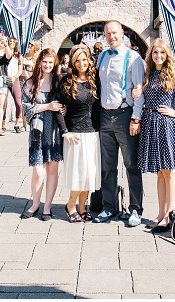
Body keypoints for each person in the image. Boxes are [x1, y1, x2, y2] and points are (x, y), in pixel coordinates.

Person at [135, 38, 175, 232]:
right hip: (151, 122)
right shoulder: (150, 74)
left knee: (169, 172)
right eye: (155, 52)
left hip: (166, 125)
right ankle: (161, 213)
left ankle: (170, 214)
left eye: (162, 52)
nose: (158, 56)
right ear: (151, 55)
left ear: (167, 54)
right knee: (160, 173)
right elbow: (143, 96)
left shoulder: (173, 75)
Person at [93, 20, 146, 227]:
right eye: (107, 33)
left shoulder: (134, 58)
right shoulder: (102, 57)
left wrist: (136, 118)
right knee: (107, 166)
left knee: (131, 165)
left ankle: (136, 209)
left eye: (114, 32)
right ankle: (109, 206)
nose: (111, 36)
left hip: (125, 115)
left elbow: (139, 90)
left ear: (122, 33)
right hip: (106, 115)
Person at [55, 44, 101, 223]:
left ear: (89, 61)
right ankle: (71, 206)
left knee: (89, 174)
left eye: (85, 60)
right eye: (78, 61)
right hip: (75, 134)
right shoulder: (67, 82)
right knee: (78, 174)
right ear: (73, 63)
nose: (82, 63)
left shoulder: (94, 80)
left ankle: (82, 208)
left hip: (93, 132)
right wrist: (64, 131)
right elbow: (58, 108)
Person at [21, 48, 63, 221]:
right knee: (38, 171)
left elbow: (65, 104)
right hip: (38, 130)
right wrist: (47, 106)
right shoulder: (31, 83)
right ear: (40, 62)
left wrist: (63, 109)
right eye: (44, 61)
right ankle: (35, 204)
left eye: (50, 62)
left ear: (55, 64)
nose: (47, 65)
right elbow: (26, 108)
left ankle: (47, 207)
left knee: (52, 169)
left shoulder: (59, 82)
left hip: (54, 130)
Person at [1, 37, 22, 132]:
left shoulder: (18, 55)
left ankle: (17, 123)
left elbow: (20, 70)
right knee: (3, 103)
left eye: (14, 42)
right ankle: (3, 123)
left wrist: (14, 77)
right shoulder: (5, 53)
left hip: (15, 79)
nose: (12, 43)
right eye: (11, 41)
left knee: (18, 102)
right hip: (5, 78)